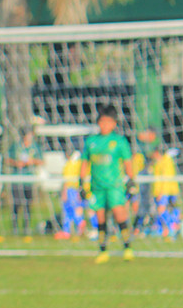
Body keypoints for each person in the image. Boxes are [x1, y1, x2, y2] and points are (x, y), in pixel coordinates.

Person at [80, 104, 136, 263]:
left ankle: (127, 248)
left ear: (114, 123)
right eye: (102, 121)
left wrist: (131, 180)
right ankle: (103, 251)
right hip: (97, 187)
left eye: (108, 122)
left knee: (120, 215)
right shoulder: (91, 141)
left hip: (115, 186)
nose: (104, 125)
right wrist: (81, 183)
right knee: (100, 219)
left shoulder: (119, 141)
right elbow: (84, 163)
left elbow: (127, 162)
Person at [4, 128, 44, 236]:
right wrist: (16, 163)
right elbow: (7, 159)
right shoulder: (16, 146)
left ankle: (26, 228)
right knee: (16, 204)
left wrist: (32, 161)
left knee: (27, 205)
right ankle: (15, 228)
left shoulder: (35, 147)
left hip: (29, 180)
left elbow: (42, 161)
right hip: (17, 180)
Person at [151, 147, 180, 240]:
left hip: (165, 190)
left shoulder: (165, 161)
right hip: (165, 190)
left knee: (161, 210)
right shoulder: (159, 162)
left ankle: (169, 229)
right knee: (169, 210)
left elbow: (165, 178)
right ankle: (169, 229)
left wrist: (161, 192)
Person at [57, 150, 85, 239]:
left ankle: (79, 222)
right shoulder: (80, 163)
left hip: (71, 189)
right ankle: (67, 231)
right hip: (78, 189)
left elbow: (67, 180)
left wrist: (64, 192)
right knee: (75, 209)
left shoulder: (70, 164)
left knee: (68, 209)